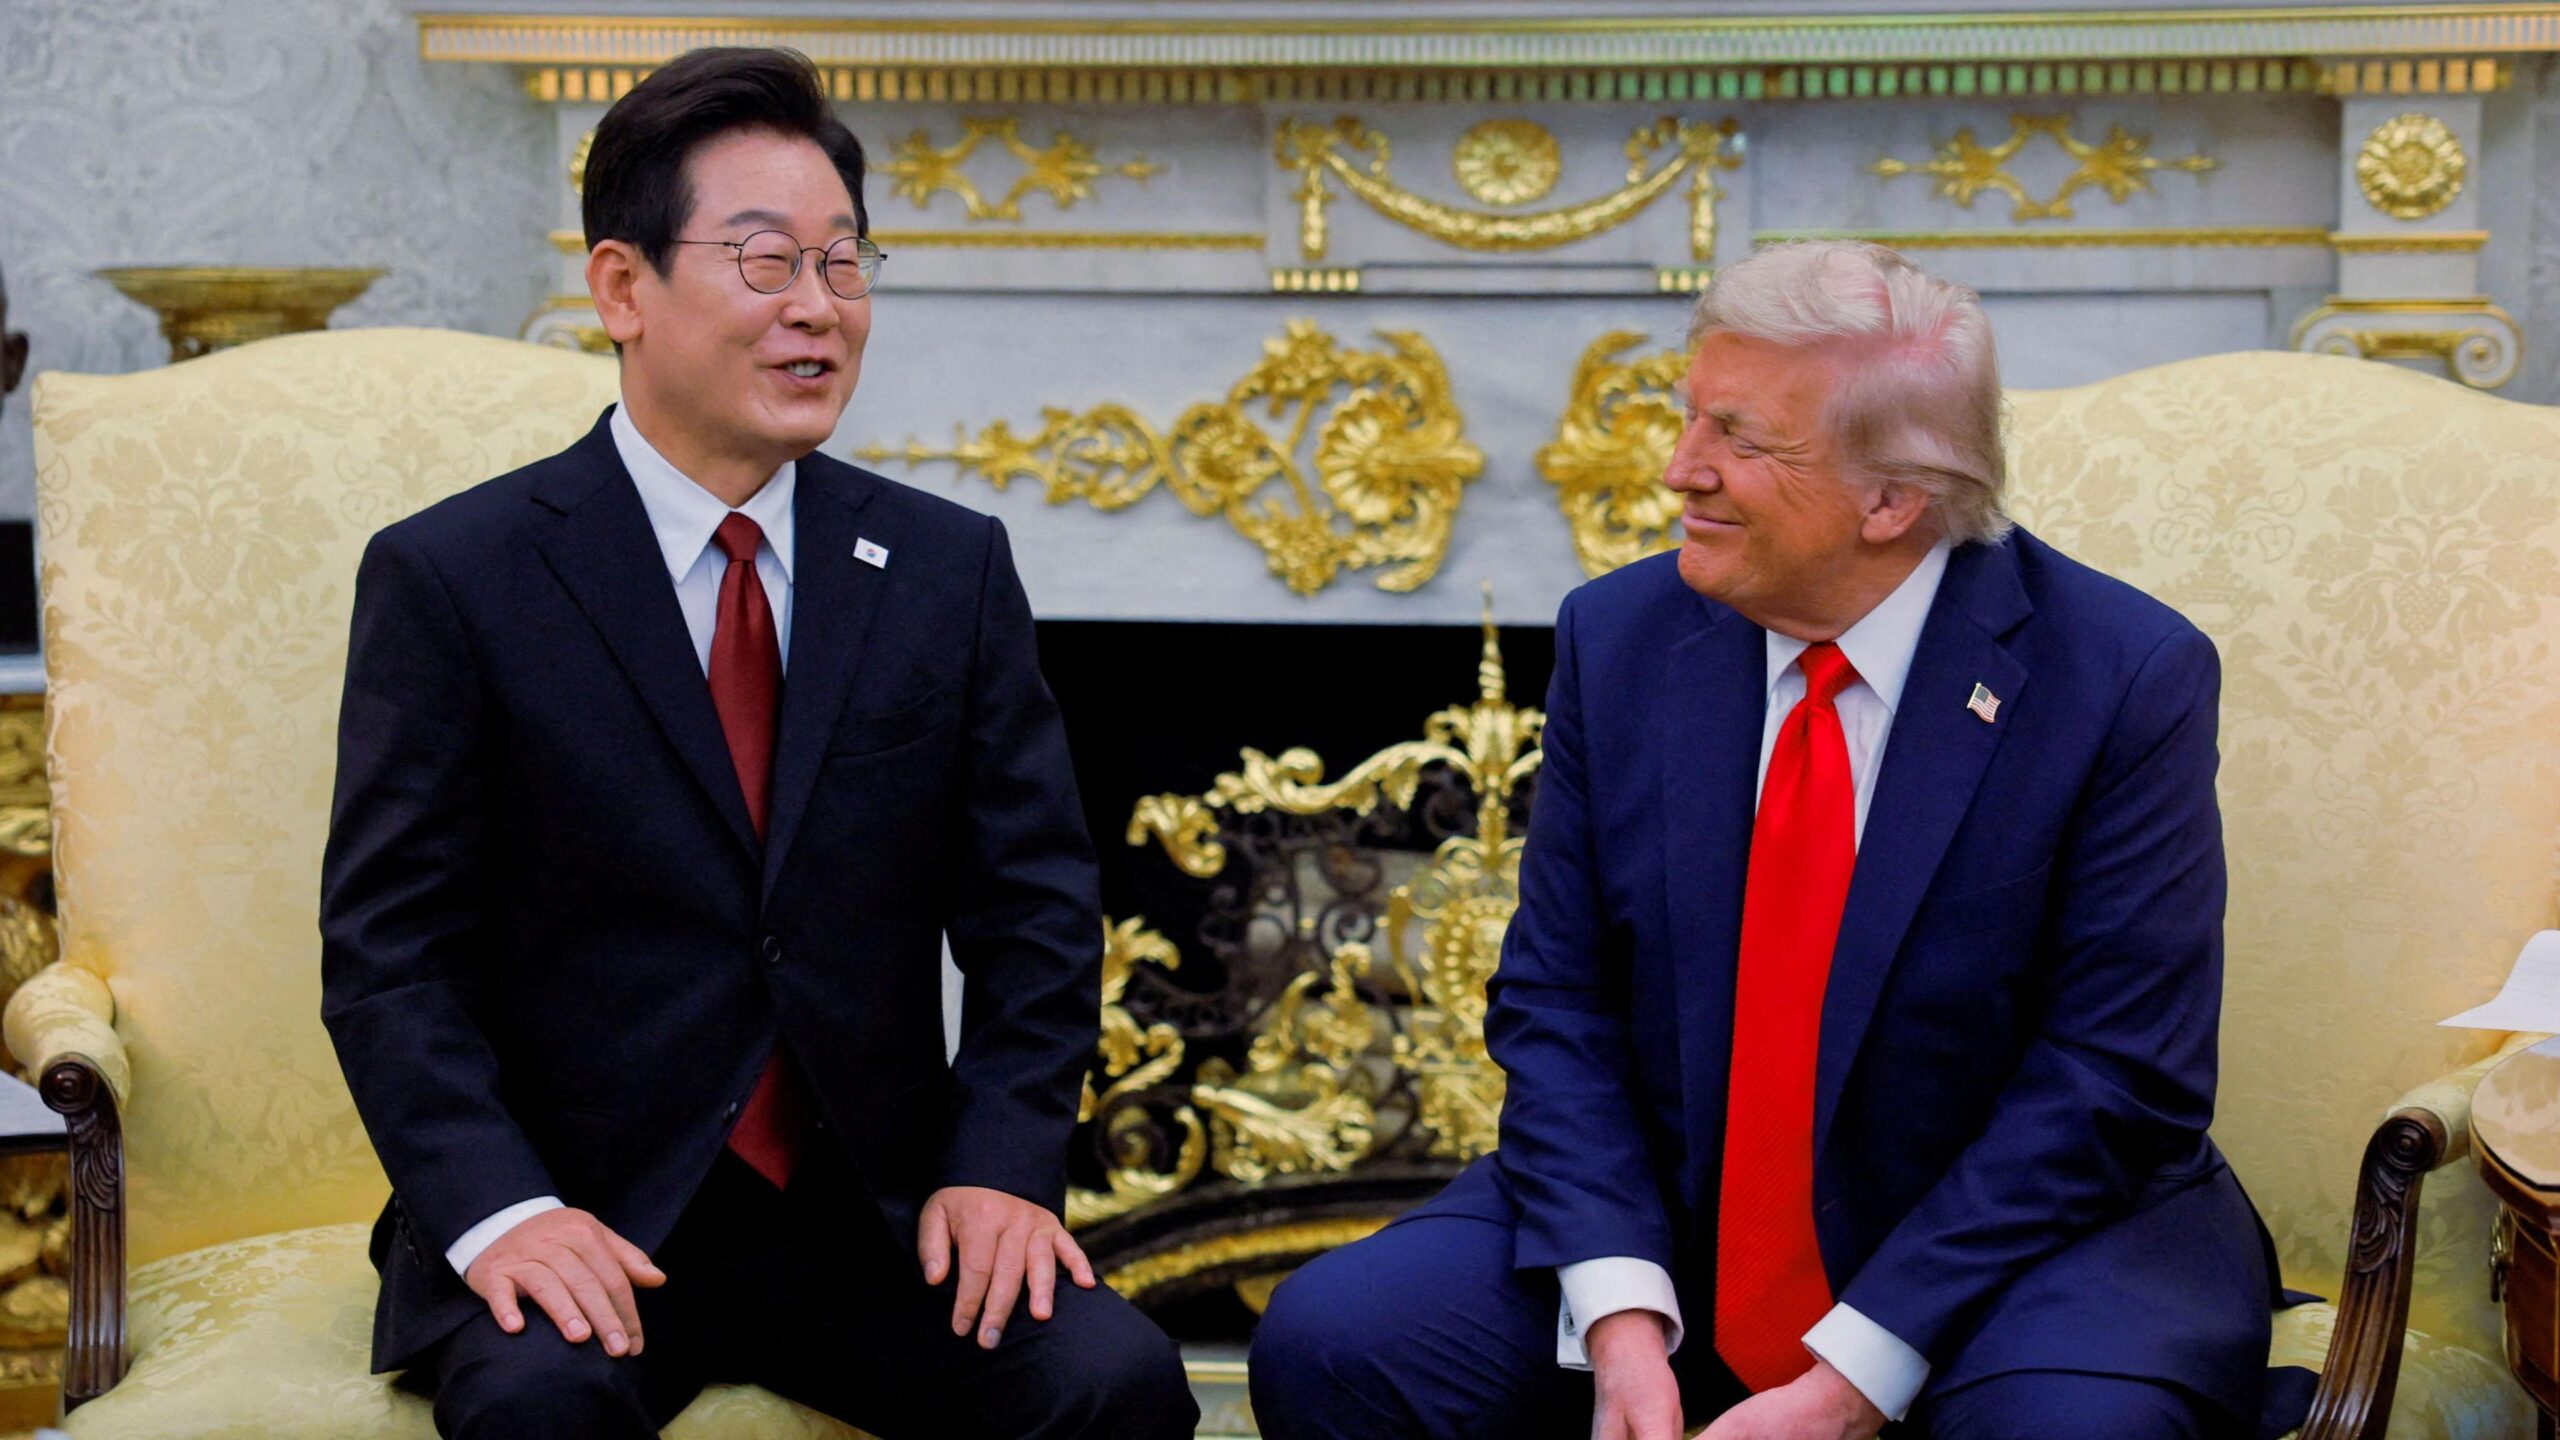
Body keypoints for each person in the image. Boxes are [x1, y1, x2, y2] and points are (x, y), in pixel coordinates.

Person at [1250, 240, 2305, 1440]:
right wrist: (1619, 1317)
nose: (1676, 471)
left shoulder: (2118, 677)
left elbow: (2115, 1080)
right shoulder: (1622, 636)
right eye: (1689, 417)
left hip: (2027, 1236)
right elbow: (1556, 998)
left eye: (1738, 441)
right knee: (1340, 1347)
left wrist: (1852, 1376)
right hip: (1683, 1205)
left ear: (1891, 500)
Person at [318, 46, 1195, 1440]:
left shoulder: (942, 570)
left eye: (844, 265)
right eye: (765, 261)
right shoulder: (458, 578)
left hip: (874, 1222)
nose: (819, 310)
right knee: (537, 1411)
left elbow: (1035, 913)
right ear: (622, 288)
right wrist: (502, 1214)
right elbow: (390, 959)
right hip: (588, 1214)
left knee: (1117, 1383)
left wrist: (1002, 1166)